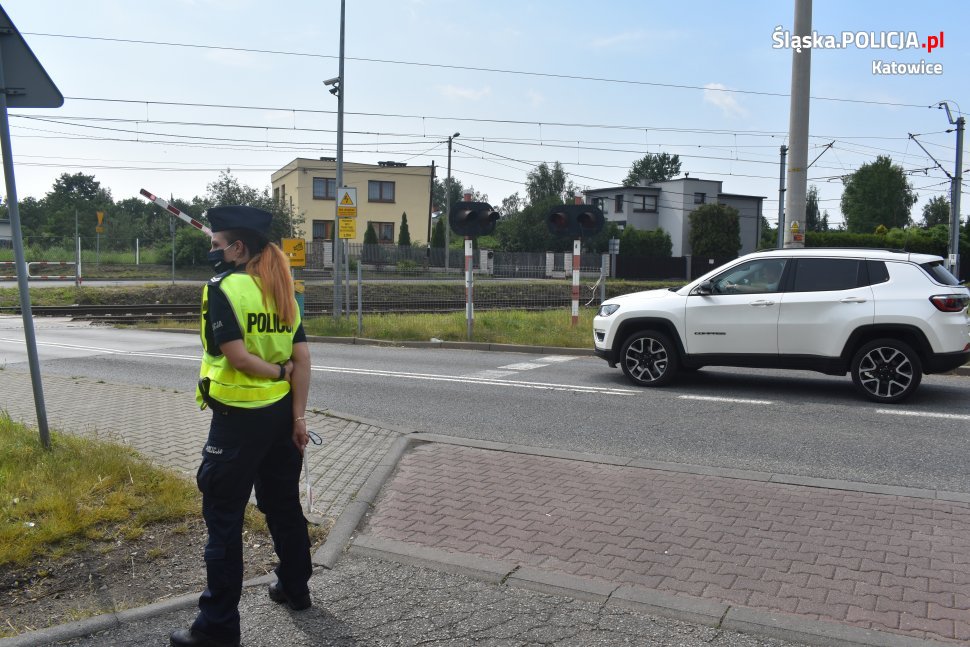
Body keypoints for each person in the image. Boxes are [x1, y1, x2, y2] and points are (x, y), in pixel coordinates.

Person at [170, 206, 312, 647]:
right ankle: (295, 587)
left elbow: (235, 356)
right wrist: (298, 417)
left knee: (225, 519)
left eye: (216, 244)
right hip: (280, 418)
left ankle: (216, 628)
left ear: (237, 247)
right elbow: (303, 359)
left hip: (236, 420)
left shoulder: (222, 289)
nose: (212, 251)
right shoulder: (282, 288)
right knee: (284, 505)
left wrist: (274, 374)